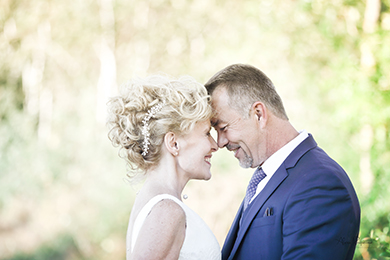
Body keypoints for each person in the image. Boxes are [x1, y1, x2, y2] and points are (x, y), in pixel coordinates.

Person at [204, 64, 360, 260]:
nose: (220, 142)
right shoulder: (266, 178)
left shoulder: (321, 183)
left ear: (258, 114)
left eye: (223, 127)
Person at [106, 74, 221, 260]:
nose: (215, 145)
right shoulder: (167, 210)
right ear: (173, 143)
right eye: (206, 133)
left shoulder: (156, 200)